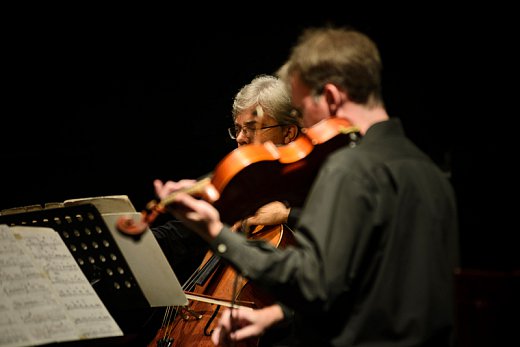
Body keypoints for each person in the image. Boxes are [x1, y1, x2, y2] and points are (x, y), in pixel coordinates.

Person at [154, 25, 460, 347]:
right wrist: (275, 315)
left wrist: (216, 232)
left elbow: (310, 284)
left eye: (301, 112)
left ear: (329, 96)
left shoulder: (348, 168)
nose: (303, 129)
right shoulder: (432, 174)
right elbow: (367, 287)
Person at [152, 74, 303, 347]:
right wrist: (135, 239)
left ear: (288, 132)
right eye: (238, 129)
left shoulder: (310, 184)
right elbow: (181, 234)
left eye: (252, 128)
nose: (242, 138)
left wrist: (287, 215)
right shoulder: (235, 184)